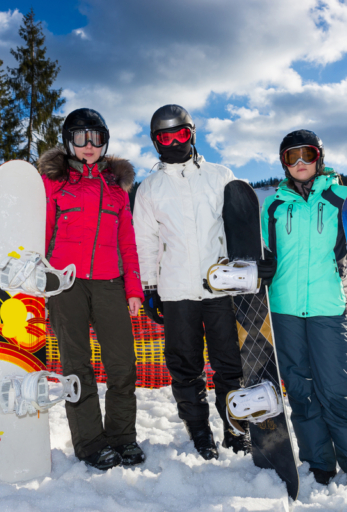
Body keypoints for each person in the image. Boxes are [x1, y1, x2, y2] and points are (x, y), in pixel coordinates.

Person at [260, 129, 347, 489]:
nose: (300, 162)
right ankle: (319, 462)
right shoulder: (273, 206)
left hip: (328, 306)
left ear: (320, 157)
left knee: (336, 389)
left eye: (307, 154)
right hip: (284, 308)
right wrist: (262, 265)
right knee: (300, 391)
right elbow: (266, 251)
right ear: (283, 163)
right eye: (292, 156)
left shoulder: (342, 197)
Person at [133, 104, 250, 460]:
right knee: (185, 367)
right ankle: (200, 434)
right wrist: (150, 287)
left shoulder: (220, 176)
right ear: (155, 141)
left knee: (230, 364)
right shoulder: (150, 188)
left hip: (220, 287)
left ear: (192, 134)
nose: (174, 143)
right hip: (176, 290)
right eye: (165, 137)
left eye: (181, 134)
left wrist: (246, 274)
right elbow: (145, 242)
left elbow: (239, 227)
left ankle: (236, 430)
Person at [38, 108, 145, 470]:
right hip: (65, 285)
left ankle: (122, 437)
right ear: (68, 141)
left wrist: (133, 289)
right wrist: (37, 282)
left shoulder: (116, 189)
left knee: (123, 365)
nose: (89, 145)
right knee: (77, 366)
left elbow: (127, 242)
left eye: (96, 138)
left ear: (105, 143)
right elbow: (42, 234)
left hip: (110, 283)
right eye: (81, 137)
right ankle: (90, 444)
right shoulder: (53, 184)